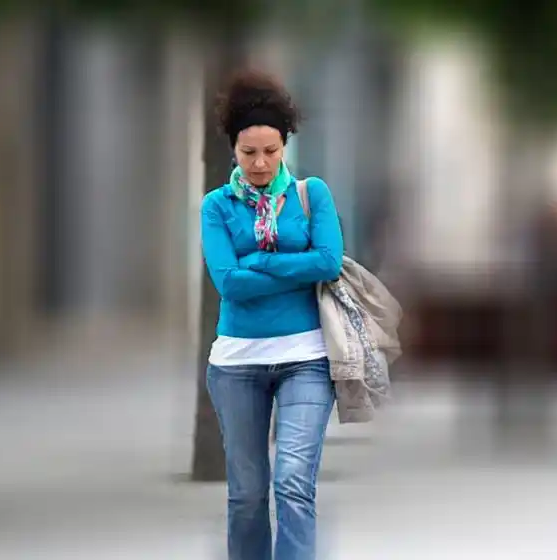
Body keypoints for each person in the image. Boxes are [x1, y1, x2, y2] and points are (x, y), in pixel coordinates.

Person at [200, 68, 344, 560]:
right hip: (236, 363)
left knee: (293, 484)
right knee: (246, 496)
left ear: (285, 147)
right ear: (233, 151)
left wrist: (260, 261)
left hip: (307, 356)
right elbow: (227, 282)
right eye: (249, 153)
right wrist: (292, 268)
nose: (260, 163)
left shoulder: (312, 194)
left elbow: (329, 259)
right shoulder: (216, 206)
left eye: (271, 151)